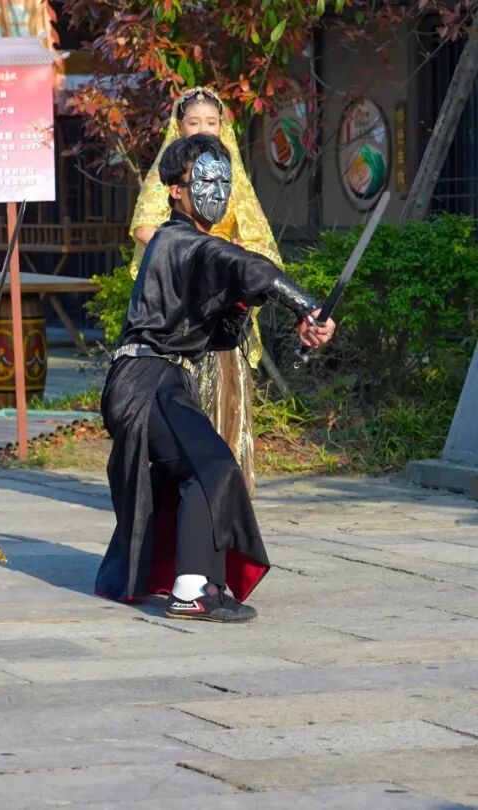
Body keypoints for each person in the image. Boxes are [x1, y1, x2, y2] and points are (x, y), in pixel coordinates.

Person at [96, 134, 335, 622]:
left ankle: (203, 580)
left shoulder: (195, 252)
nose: (216, 191)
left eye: (223, 181)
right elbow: (242, 264)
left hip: (160, 380)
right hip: (145, 379)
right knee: (212, 467)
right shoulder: (174, 240)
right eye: (203, 180)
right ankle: (191, 589)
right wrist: (306, 305)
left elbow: (225, 324)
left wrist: (286, 317)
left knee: (199, 470)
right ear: (175, 191)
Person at [129, 88, 285, 495]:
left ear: (223, 127)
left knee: (228, 394)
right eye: (194, 122)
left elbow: (258, 239)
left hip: (222, 301)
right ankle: (187, 486)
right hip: (184, 301)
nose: (203, 128)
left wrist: (233, 258)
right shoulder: (172, 175)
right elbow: (144, 227)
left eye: (211, 122)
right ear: (179, 127)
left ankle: (230, 487)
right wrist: (198, 248)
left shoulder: (231, 178)